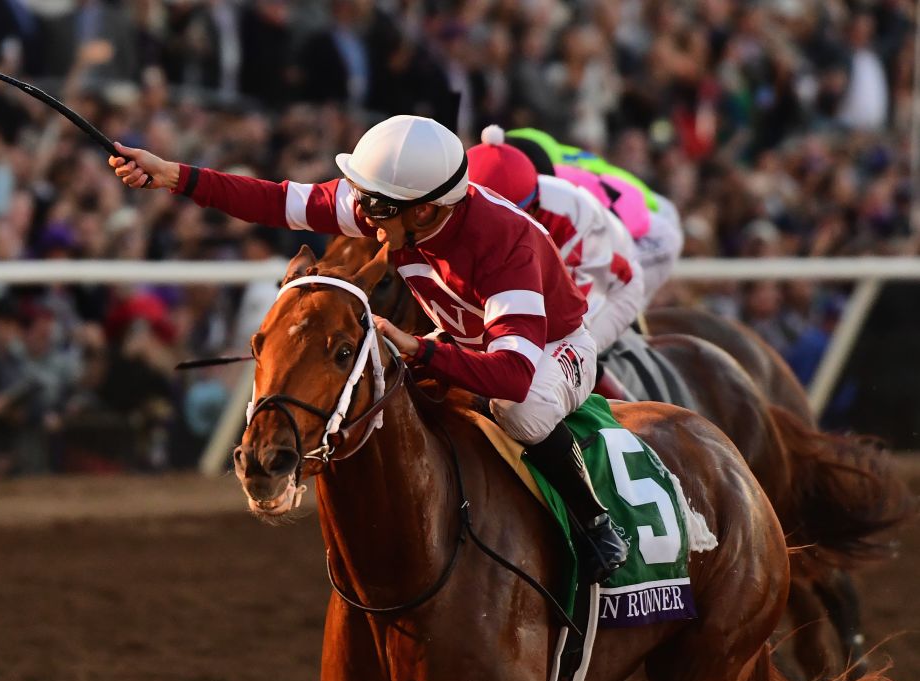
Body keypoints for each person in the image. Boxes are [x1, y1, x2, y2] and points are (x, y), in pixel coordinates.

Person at [109, 114, 627, 582]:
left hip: (551, 349)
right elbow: (275, 201)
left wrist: (419, 351)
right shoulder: (396, 208)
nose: (362, 214)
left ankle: (594, 521)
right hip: (461, 336)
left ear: (423, 211)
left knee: (523, 410)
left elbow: (512, 373)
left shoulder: (502, 244)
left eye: (375, 206)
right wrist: (173, 175)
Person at [467, 126, 645, 356]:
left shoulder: (571, 214)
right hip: (559, 275)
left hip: (614, 284)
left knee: (568, 354)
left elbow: (574, 316)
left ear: (531, 207)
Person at [506, 128, 683, 306]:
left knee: (606, 300)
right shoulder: (550, 161)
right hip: (640, 206)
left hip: (650, 223)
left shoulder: (557, 188)